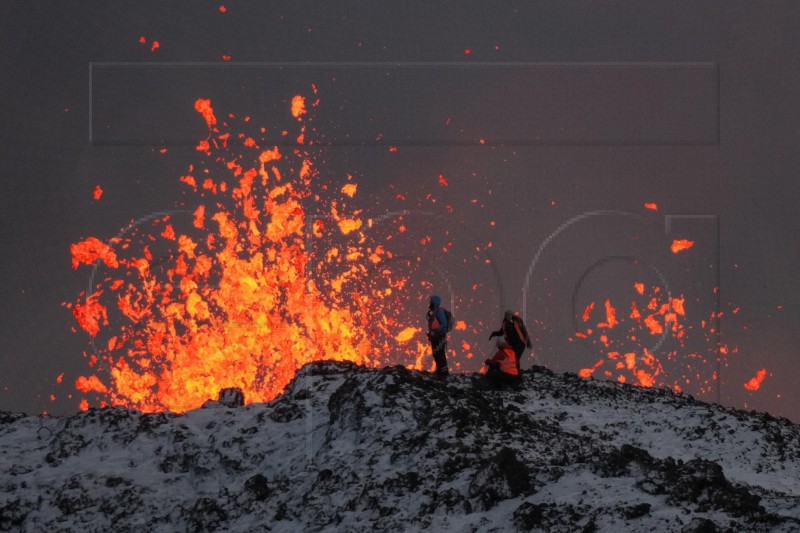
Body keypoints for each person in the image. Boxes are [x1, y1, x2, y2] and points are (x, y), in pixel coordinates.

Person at [489, 310, 532, 374]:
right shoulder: (505, 324)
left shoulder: (517, 322)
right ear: (505, 316)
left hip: (520, 343)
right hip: (512, 344)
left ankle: (517, 374)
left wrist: (528, 342)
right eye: (507, 315)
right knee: (513, 358)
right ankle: (516, 373)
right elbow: (501, 332)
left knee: (516, 358)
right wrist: (494, 333)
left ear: (512, 315)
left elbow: (524, 331)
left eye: (510, 315)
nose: (508, 316)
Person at [426, 295, 449, 378]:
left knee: (439, 353)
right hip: (435, 337)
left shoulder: (439, 312)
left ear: (434, 302)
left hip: (439, 337)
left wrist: (436, 331)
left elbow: (444, 324)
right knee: (436, 353)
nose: (430, 303)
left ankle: (443, 372)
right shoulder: (434, 312)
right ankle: (440, 370)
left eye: (431, 301)